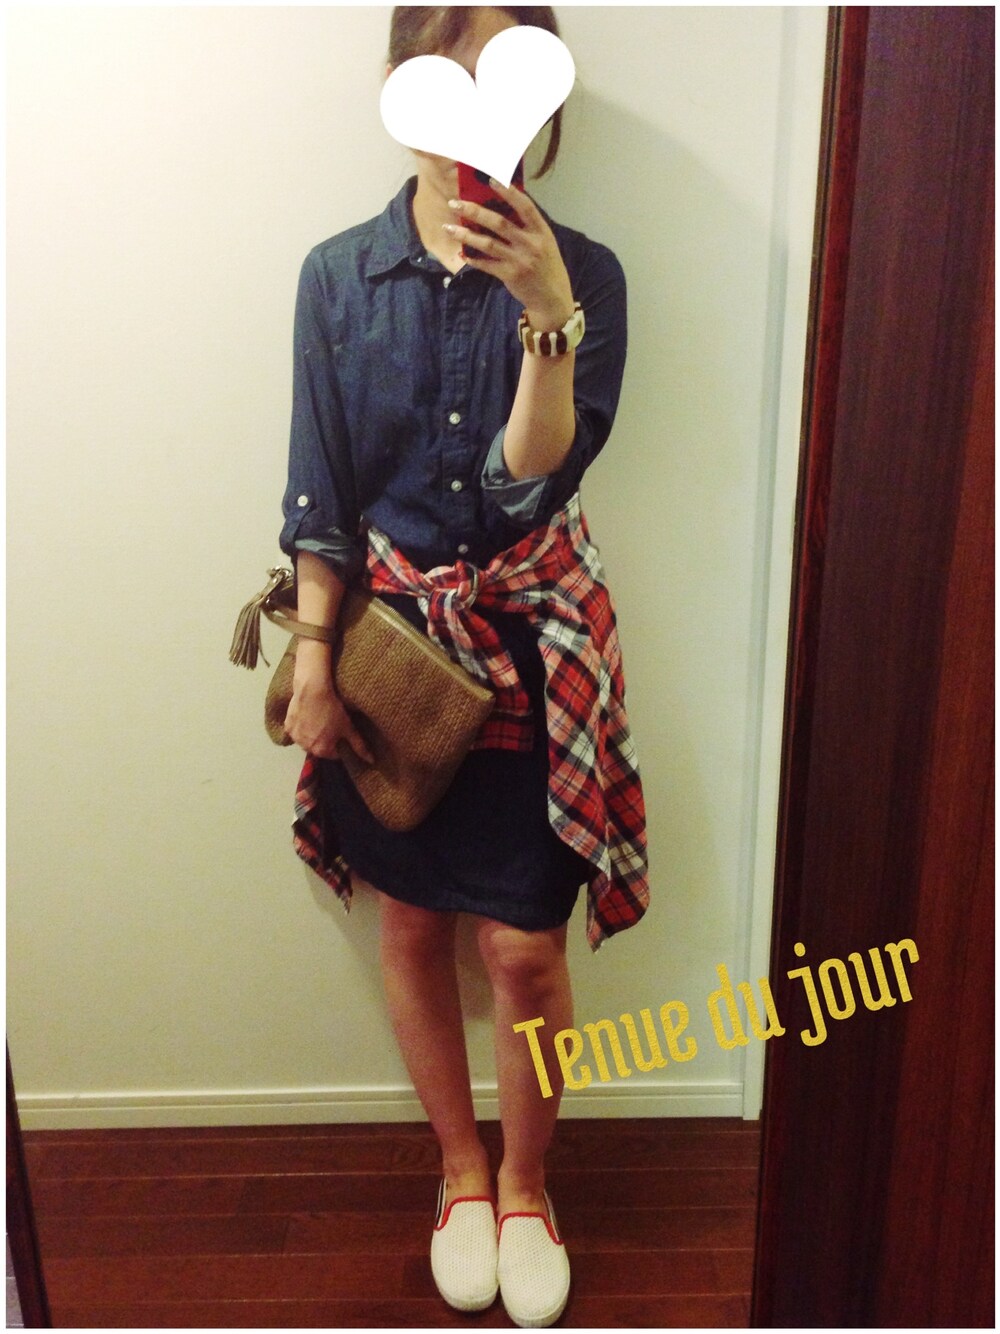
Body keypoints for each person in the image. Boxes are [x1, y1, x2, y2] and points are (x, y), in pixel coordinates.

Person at [279, 6, 648, 1326]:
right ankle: (461, 1174)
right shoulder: (338, 276)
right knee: (413, 924)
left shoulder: (587, 276)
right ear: (401, 84)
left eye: (505, 74)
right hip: (391, 655)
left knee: (525, 952)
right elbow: (320, 494)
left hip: (531, 649)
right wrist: (312, 658)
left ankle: (531, 1185)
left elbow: (527, 478)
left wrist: (545, 316)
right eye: (446, 69)